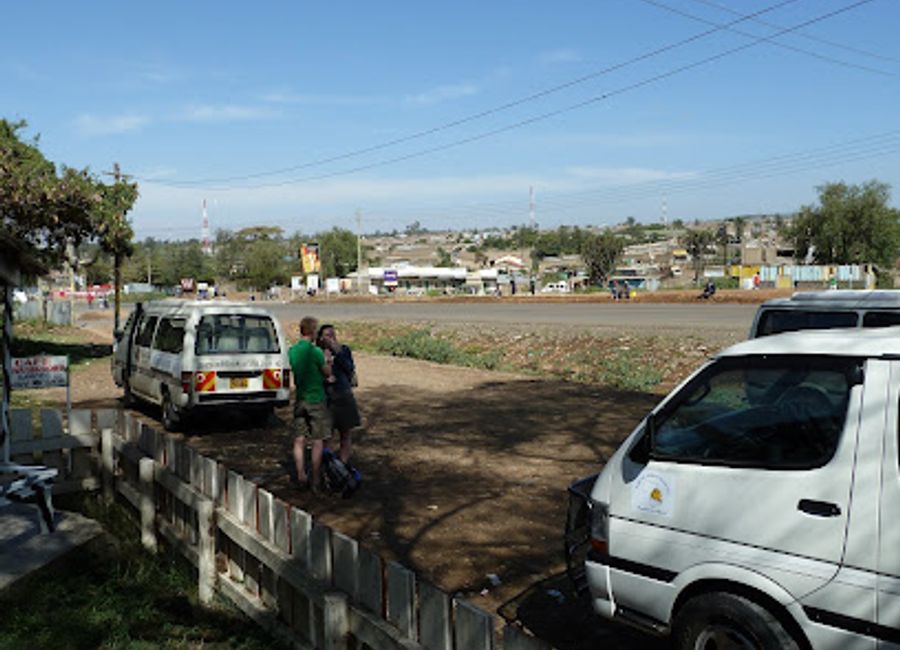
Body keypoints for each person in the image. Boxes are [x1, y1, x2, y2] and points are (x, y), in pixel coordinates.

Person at [289, 316, 333, 492]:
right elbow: (326, 373)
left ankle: (300, 475)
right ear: (313, 332)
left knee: (299, 439)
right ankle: (315, 479)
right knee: (317, 440)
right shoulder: (315, 352)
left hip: (300, 398)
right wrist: (327, 360)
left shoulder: (292, 351)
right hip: (316, 399)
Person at [317, 324, 361, 465]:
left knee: (345, 433)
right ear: (320, 338)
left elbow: (349, 368)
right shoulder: (317, 352)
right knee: (326, 436)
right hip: (326, 398)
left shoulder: (343, 350)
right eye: (327, 335)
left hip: (343, 395)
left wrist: (338, 353)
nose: (330, 338)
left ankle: (343, 464)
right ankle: (327, 466)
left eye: (333, 335)